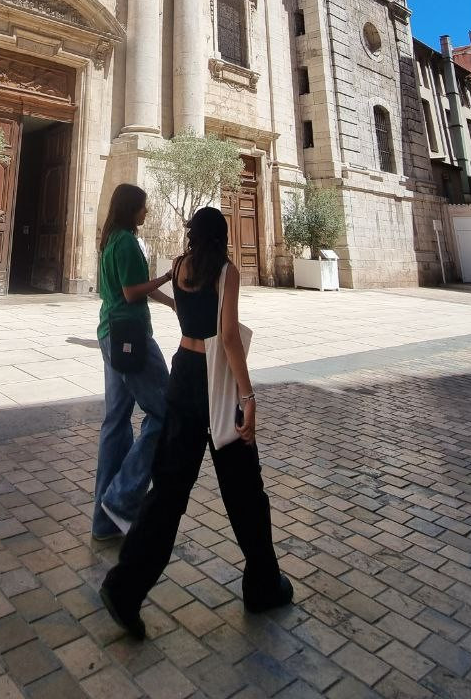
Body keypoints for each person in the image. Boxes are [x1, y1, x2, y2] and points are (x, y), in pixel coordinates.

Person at [100, 205, 292, 637]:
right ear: (222, 236)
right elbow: (227, 338)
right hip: (217, 382)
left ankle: (125, 586)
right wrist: (248, 395)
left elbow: (184, 314)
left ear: (192, 235)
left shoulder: (179, 266)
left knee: (167, 491)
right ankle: (262, 583)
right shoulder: (226, 272)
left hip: (183, 374)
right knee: (245, 488)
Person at [93, 184, 176, 541]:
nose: (147, 212)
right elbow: (133, 291)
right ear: (131, 209)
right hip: (131, 337)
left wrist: (170, 303)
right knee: (166, 411)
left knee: (115, 422)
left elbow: (134, 285)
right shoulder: (126, 241)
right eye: (144, 207)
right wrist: (170, 277)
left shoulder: (111, 240)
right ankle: (123, 497)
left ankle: (104, 522)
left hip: (110, 331)